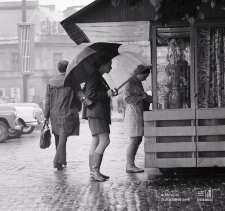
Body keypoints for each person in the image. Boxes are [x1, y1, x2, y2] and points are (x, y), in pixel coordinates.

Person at [81, 55, 115, 182]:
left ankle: (93, 172)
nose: (111, 66)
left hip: (95, 112)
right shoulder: (94, 75)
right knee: (105, 141)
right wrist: (106, 94)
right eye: (109, 63)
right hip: (97, 113)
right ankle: (95, 171)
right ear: (103, 63)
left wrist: (110, 92)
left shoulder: (97, 76)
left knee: (96, 141)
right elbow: (90, 93)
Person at [44, 60, 81, 170]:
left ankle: (61, 160)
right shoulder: (73, 82)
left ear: (58, 69)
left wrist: (46, 115)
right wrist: (78, 108)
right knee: (63, 137)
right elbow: (78, 97)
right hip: (67, 113)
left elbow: (47, 100)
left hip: (54, 114)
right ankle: (58, 161)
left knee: (58, 137)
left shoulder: (51, 82)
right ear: (68, 68)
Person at [123, 64, 152, 173]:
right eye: (145, 75)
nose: (146, 78)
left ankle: (131, 164)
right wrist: (141, 97)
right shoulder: (130, 83)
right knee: (134, 139)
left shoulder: (137, 82)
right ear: (140, 73)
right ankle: (130, 165)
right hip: (133, 114)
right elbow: (127, 99)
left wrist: (148, 98)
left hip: (138, 112)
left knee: (137, 139)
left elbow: (143, 96)